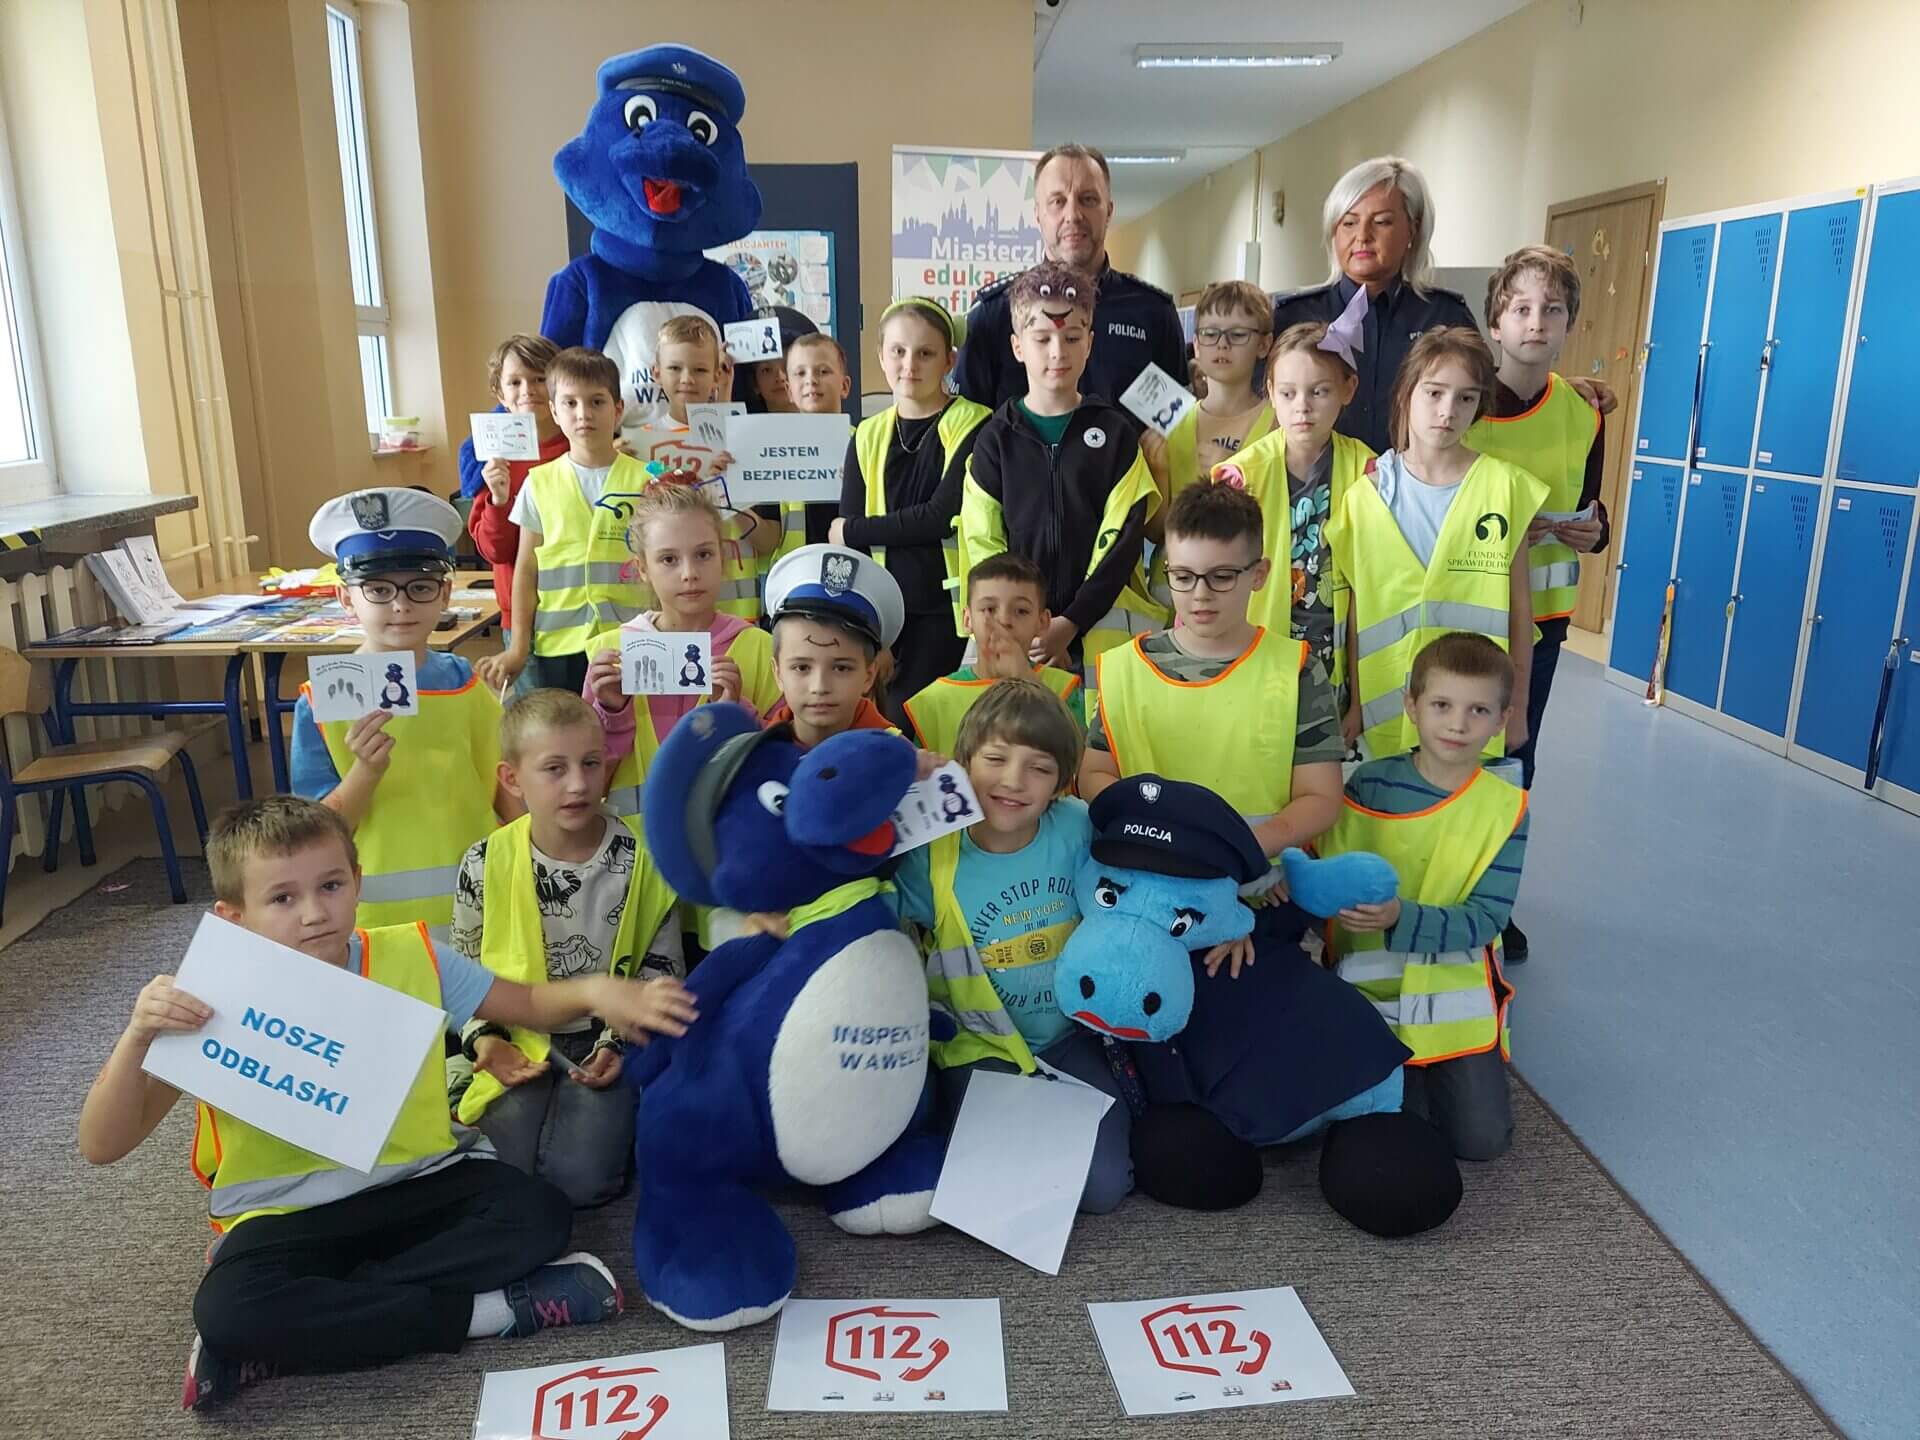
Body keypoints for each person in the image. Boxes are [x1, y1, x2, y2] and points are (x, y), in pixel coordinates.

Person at [77, 796, 698, 1409]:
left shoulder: (413, 955)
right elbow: (101, 1144)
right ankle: (488, 1312)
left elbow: (529, 1003)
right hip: (284, 1216)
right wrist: (138, 1035)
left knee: (540, 1215)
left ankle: (311, 1325)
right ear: (233, 918)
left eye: (330, 886)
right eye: (283, 898)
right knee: (227, 1311)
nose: (314, 914)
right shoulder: (209, 997)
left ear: (356, 882)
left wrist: (598, 990)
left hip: (421, 1183)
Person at [892, 679, 1131, 1213]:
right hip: (979, 1048)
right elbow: (870, 908)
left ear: (1061, 785)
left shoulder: (1076, 828)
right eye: (995, 759)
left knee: (1102, 1189)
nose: (1013, 781)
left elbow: (1139, 889)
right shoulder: (932, 853)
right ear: (964, 763)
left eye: (1038, 768)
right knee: (1001, 1186)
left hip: (1067, 1041)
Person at [449, 691, 682, 1207]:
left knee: (583, 1182)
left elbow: (660, 971)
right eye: (554, 769)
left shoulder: (645, 859)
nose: (578, 784)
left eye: (590, 764)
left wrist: (615, 1044)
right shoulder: (483, 862)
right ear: (513, 779)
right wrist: (485, 1042)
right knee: (500, 1168)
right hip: (515, 1036)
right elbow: (461, 975)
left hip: (607, 1040)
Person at [1080, 481, 1343, 910]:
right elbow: (1094, 774)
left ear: (1259, 574)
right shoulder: (1125, 667)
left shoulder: (1296, 670)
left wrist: (1239, 850)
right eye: (1183, 577)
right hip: (1144, 889)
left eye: (1221, 577)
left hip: (1256, 893)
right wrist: (1166, 840)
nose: (1200, 594)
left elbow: (1321, 798)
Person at [1316, 632, 1529, 1160]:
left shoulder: (1506, 809)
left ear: (1501, 720)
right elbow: (1327, 871)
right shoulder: (1367, 785)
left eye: (1478, 710)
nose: (1458, 724)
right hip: (1366, 993)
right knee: (1385, 1127)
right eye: (1441, 705)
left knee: (1480, 1142)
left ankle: (1444, 1078)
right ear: (1411, 706)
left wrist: (1397, 918)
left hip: (1455, 1002)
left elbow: (1487, 919)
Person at [1465, 245, 1611, 962]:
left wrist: (1594, 531)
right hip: (1465, 610)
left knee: (1517, 759)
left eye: (1551, 310)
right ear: (1495, 321)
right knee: (1449, 752)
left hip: (1544, 623)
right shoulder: (1461, 402)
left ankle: (1496, 902)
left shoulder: (1584, 413)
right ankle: (1444, 885)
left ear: (1568, 325)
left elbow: (1592, 508)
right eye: (1520, 308)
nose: (1535, 322)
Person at [1274, 156, 1614, 454]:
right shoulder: (1294, 316)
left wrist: (1557, 390)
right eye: (1348, 222)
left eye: (1381, 222)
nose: (1362, 235)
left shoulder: (1444, 315)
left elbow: (1482, 395)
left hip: (1419, 493)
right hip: (1314, 493)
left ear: (1413, 229)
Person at [293, 489, 509, 940]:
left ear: (445, 594)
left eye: (421, 587)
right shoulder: (320, 702)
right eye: (378, 589)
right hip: (376, 919)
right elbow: (315, 832)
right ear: (346, 597)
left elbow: (503, 790)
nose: (401, 605)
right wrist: (366, 770)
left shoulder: (465, 684)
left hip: (480, 901)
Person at [1328, 327, 1547, 764]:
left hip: (1473, 712)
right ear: (1406, 393)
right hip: (1388, 708)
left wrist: (1519, 706)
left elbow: (1520, 609)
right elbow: (1356, 611)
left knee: (1464, 806)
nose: (1448, 411)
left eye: (1465, 398)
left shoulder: (1505, 488)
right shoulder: (1366, 497)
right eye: (1434, 393)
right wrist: (1356, 704)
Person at [957, 260, 1163, 692]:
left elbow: (1123, 542)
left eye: (1071, 338)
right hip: (1016, 636)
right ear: (1017, 347)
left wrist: (1070, 622)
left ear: (1090, 343)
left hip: (1100, 633)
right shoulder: (994, 440)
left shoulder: (1115, 434)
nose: (1058, 352)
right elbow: (983, 543)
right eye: (1042, 339)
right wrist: (1024, 619)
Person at [830, 298, 993, 723]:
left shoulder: (975, 423)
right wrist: (874, 633)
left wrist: (852, 530)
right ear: (881, 356)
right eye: (898, 351)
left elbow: (939, 516)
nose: (909, 364)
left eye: (925, 353)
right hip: (881, 614)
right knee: (874, 726)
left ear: (949, 361)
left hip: (943, 613)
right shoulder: (866, 434)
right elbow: (852, 549)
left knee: (918, 724)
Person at [583, 480, 781, 819]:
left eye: (703, 555)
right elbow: (587, 784)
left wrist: (736, 714)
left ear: (724, 556)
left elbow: (781, 767)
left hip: (727, 838)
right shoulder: (611, 654)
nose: (689, 574)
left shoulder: (761, 648)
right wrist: (611, 711)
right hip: (634, 845)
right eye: (668, 559)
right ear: (642, 568)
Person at [956, 144, 1187, 408]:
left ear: (1109, 211)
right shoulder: (993, 314)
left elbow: (1174, 421)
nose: (1073, 215)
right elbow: (964, 423)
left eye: (1088, 199)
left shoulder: (1153, 313)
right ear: (1038, 215)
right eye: (1058, 201)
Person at [477, 348, 650, 698]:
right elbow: (526, 569)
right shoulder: (538, 483)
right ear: (555, 411)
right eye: (570, 403)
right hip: (559, 647)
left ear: (618, 409)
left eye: (596, 402)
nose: (583, 413)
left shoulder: (646, 480)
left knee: (631, 726)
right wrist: (518, 648)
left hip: (632, 638)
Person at [1209, 319, 1372, 675]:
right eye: (1288, 393)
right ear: (1270, 391)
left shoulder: (1370, 473)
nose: (1302, 406)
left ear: (1348, 388)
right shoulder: (1240, 478)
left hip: (1336, 661)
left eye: (1319, 391)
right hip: (1255, 661)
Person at [622, 315, 768, 622]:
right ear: (656, 372)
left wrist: (727, 490)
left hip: (738, 608)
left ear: (717, 374)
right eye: (675, 368)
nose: (687, 378)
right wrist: (615, 464)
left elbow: (766, 540)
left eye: (699, 369)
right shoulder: (637, 447)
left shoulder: (741, 442)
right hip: (671, 615)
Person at [902, 552, 1084, 756]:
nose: (1004, 620)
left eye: (1021, 611)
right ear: (967, 619)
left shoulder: (1063, 689)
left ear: (1042, 622)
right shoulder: (933, 701)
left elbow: (1072, 760)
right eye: (989, 609)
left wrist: (1026, 680)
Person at [461, 335, 569, 653]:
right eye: (515, 382)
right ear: (501, 394)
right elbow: (494, 550)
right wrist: (498, 500)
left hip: (584, 609)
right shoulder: (494, 459)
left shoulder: (585, 444)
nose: (528, 390)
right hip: (524, 620)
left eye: (540, 379)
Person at [760, 542, 907, 747]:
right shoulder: (753, 758)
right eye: (802, 667)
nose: (820, 687)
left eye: (841, 668)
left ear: (869, 675)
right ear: (778, 673)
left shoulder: (900, 759)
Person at [1171, 281, 1276, 491]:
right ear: (1197, 345)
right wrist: (1158, 468)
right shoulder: (1174, 423)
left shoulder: (1279, 423)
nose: (1222, 344)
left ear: (1264, 344)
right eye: (1210, 334)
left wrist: (1237, 477)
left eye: (1237, 334)